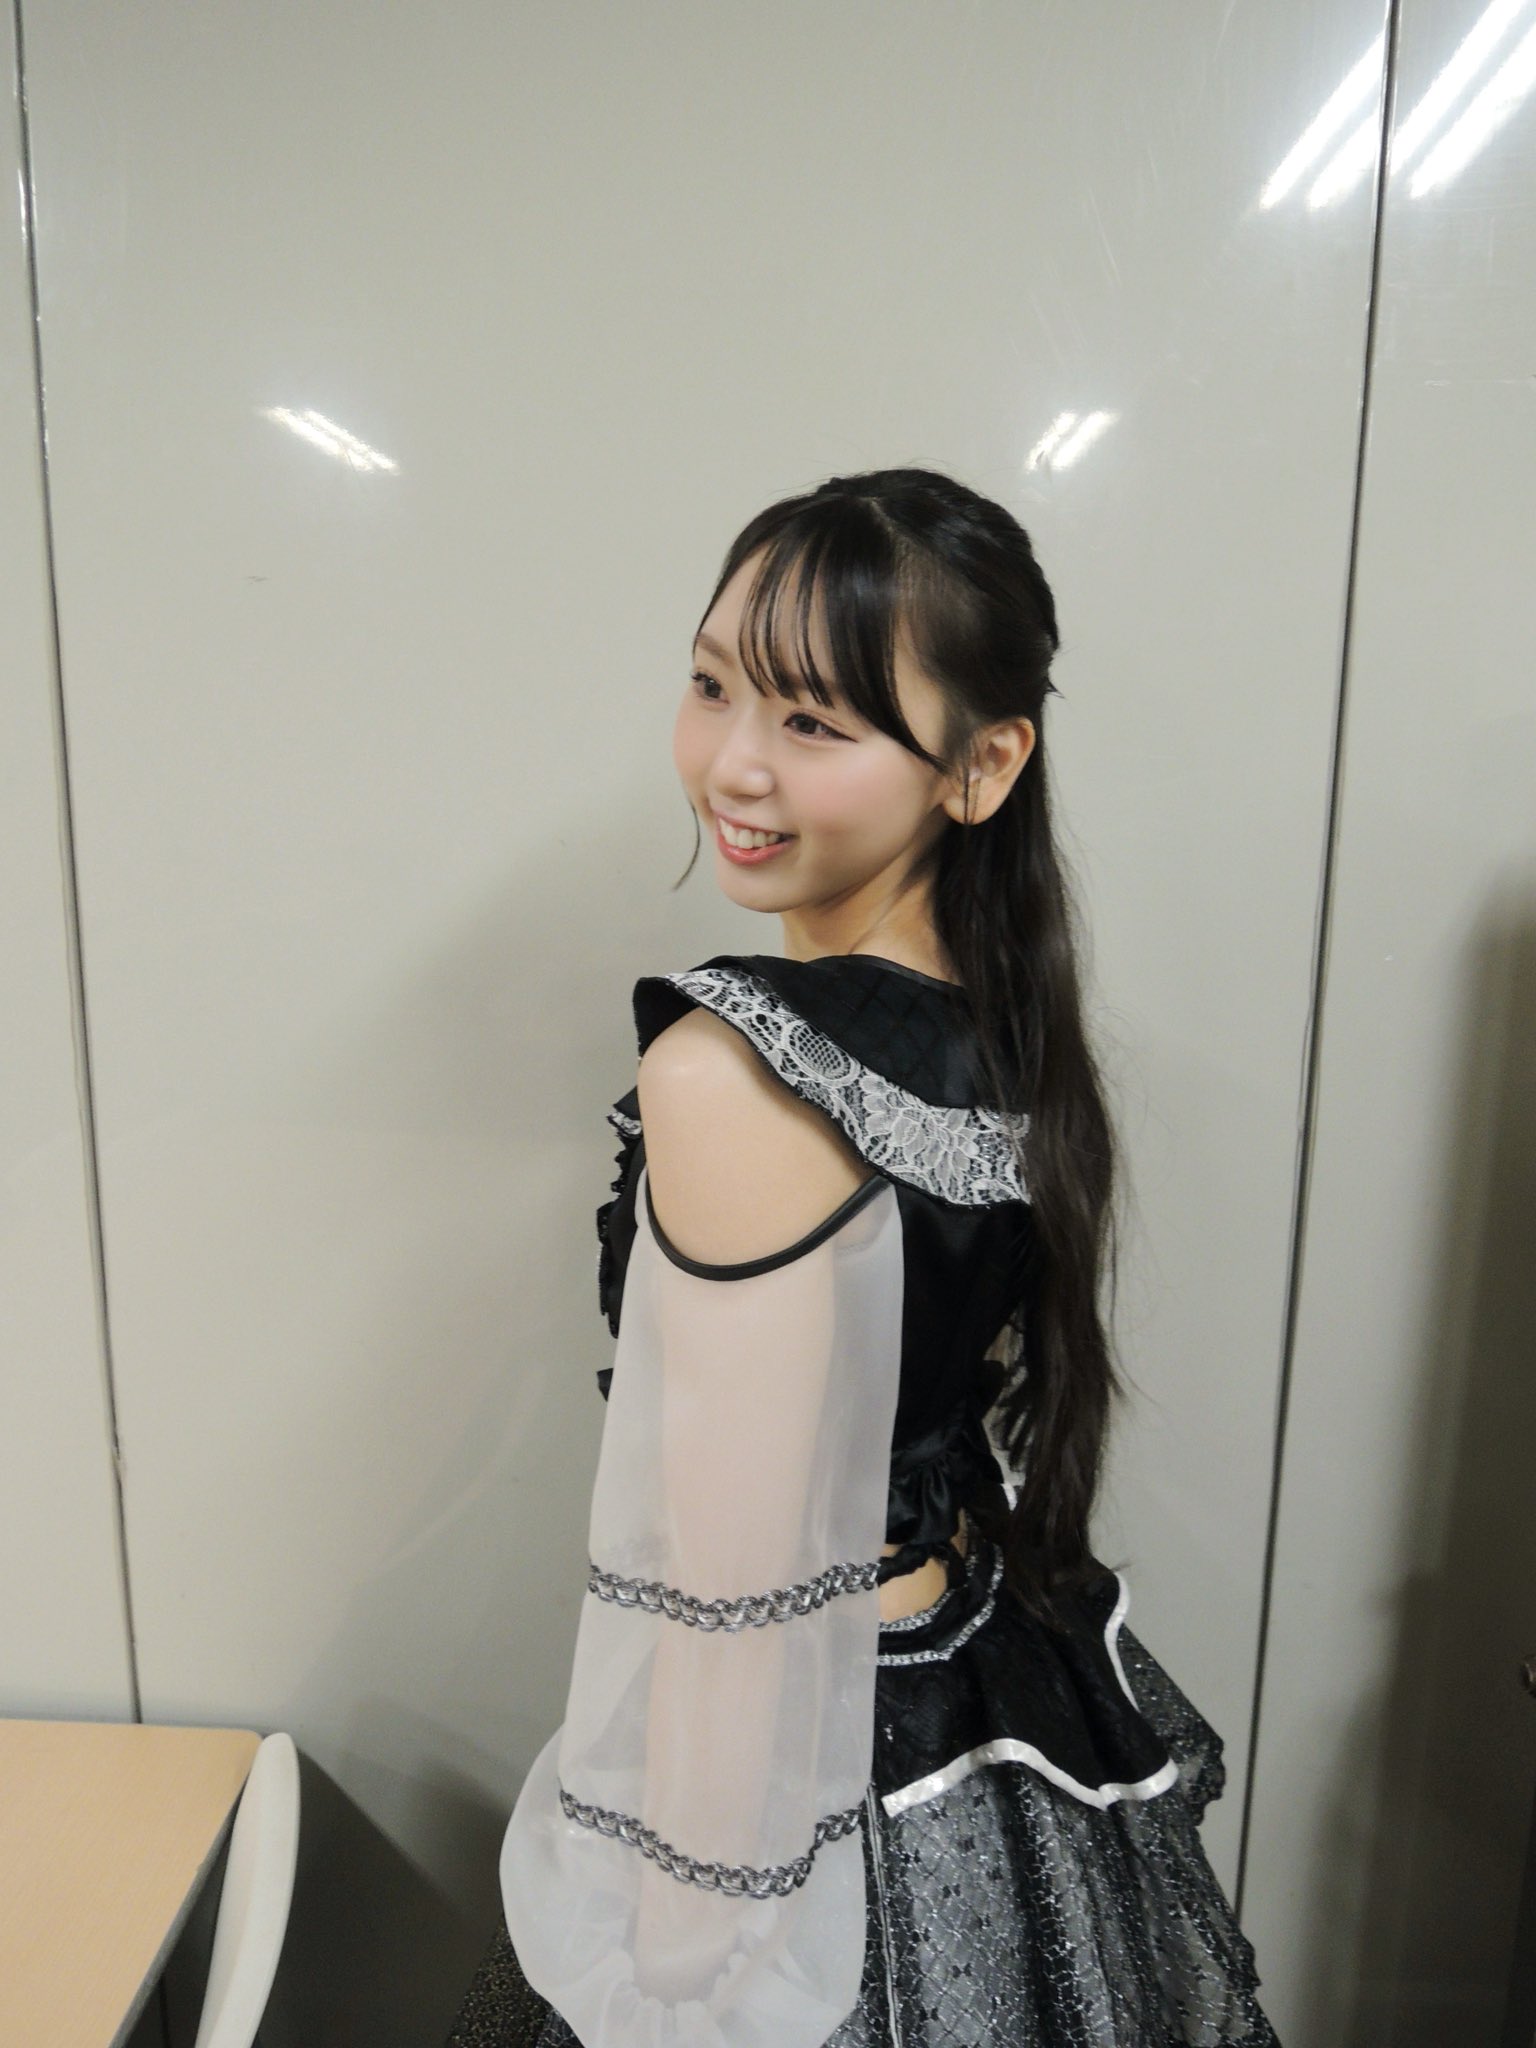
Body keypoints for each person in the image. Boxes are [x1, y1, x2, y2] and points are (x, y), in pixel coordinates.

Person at [447, 467, 1280, 2046]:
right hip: (985, 1670)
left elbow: (739, 1594)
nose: (733, 764)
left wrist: (685, 1978)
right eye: (712, 686)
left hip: (810, 1764)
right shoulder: (1006, 1026)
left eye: (814, 721)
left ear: (984, 764)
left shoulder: (735, 1070)